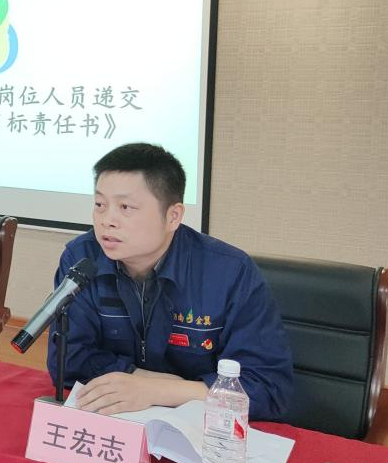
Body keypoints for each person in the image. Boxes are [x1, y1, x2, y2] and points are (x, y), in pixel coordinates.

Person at [48, 142, 293, 420]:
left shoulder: (230, 272)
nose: (107, 220)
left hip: (204, 427)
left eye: (125, 207)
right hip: (117, 419)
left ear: (173, 216)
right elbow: (68, 360)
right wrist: (140, 382)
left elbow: (267, 386)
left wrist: (158, 391)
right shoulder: (81, 258)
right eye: (100, 205)